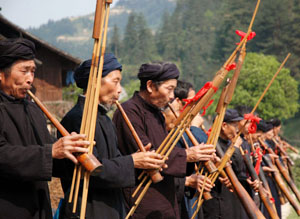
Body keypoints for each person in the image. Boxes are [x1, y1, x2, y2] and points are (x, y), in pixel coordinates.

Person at [57, 54, 166, 219]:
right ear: (95, 81)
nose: (120, 89)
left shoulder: (104, 119)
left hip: (111, 208)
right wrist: (132, 161)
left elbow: (115, 160)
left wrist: (142, 163)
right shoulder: (77, 119)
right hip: (88, 210)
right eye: (115, 81)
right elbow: (93, 170)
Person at [0, 38, 90, 219]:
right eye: (24, 71)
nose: (30, 79)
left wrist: (70, 152)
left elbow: (49, 150)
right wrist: (50, 152)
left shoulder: (32, 109)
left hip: (39, 207)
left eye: (33, 72)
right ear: (1, 74)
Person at [113, 62, 215, 219]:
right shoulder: (129, 111)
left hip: (167, 198)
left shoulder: (157, 114)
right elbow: (149, 155)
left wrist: (196, 158)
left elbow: (167, 150)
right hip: (143, 201)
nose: (172, 96)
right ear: (150, 86)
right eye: (169, 89)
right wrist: (186, 155)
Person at [203, 109, 259, 219]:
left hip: (233, 202)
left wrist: (249, 182)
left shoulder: (232, 144)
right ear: (224, 125)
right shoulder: (212, 144)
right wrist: (235, 148)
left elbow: (238, 172)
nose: (237, 130)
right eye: (234, 126)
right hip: (219, 201)